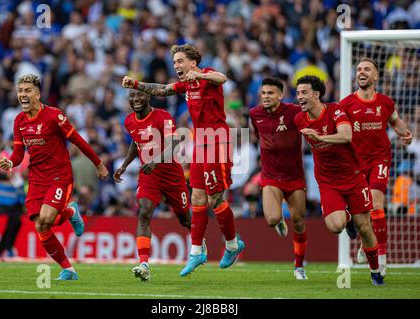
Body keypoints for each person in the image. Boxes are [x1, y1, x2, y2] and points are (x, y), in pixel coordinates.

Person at [122, 44, 245, 276]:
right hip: (199, 143)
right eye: (175, 62)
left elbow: (223, 78)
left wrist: (199, 74)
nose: (176, 65)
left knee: (215, 199)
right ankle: (197, 252)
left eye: (180, 61)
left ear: (192, 62)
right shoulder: (185, 85)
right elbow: (161, 89)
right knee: (197, 197)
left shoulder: (207, 75)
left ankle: (232, 245)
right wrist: (136, 84)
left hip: (217, 142)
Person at [0, 74, 109, 280]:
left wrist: (99, 164)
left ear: (38, 94)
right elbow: (18, 154)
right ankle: (68, 268)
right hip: (36, 179)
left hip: (59, 175)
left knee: (48, 217)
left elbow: (78, 140)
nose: (22, 94)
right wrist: (10, 162)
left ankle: (68, 212)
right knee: (41, 225)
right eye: (20, 90)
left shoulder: (54, 116)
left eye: (27, 90)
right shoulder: (19, 121)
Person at [294, 75, 384, 286]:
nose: (300, 97)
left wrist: (320, 138)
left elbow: (346, 135)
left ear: (316, 94)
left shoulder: (335, 110)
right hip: (327, 181)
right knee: (335, 226)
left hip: (353, 176)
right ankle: (348, 218)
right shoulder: (299, 119)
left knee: (365, 227)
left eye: (304, 92)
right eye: (298, 93)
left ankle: (375, 270)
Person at [341, 57, 413, 276]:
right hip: (355, 163)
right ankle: (365, 242)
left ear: (375, 76)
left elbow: (394, 121)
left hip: (379, 159)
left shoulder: (385, 102)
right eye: (359, 69)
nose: (361, 72)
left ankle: (381, 259)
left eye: (367, 69)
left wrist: (405, 133)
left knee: (376, 205)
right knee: (361, 211)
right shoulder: (346, 104)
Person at [113, 89, 192, 281]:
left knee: (185, 220)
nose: (136, 99)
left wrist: (155, 160)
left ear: (148, 97)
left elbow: (174, 142)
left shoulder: (162, 116)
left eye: (140, 95)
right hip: (149, 176)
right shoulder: (129, 121)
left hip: (172, 175)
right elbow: (135, 142)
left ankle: (199, 243)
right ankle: (144, 263)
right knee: (144, 211)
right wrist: (124, 165)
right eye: (132, 96)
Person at [249, 77, 308, 280]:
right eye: (263, 93)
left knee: (299, 221)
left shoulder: (294, 112)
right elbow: (258, 135)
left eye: (270, 93)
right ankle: (279, 220)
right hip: (271, 176)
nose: (265, 97)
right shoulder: (254, 114)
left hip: (294, 176)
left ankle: (299, 266)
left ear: (280, 95)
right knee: (272, 219)